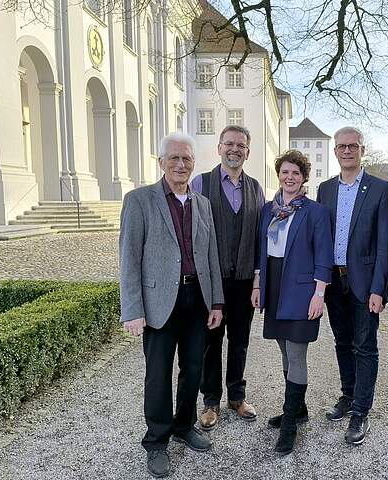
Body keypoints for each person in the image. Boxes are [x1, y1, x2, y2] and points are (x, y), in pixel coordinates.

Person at [119, 132, 224, 478]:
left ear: (194, 163)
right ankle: (157, 440)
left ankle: (184, 425)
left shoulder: (202, 203)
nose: (181, 165)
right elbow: (129, 259)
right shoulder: (139, 200)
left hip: (197, 300)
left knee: (193, 369)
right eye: (174, 158)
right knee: (158, 374)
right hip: (158, 303)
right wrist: (132, 309)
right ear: (161, 161)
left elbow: (211, 257)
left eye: (187, 159)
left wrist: (217, 303)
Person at [251, 150, 333, 455]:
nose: (290, 178)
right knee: (284, 349)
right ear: (279, 175)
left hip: (302, 290)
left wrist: (319, 294)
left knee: (297, 354)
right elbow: (262, 249)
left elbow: (324, 256)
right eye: (285, 172)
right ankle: (298, 409)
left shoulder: (316, 212)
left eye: (296, 173)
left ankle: (289, 424)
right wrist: (258, 284)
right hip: (273, 285)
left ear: (304, 178)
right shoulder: (267, 210)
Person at [316, 126, 388, 445]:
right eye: (341, 147)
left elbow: (384, 243)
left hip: (364, 283)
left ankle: (361, 411)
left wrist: (379, 289)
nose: (346, 151)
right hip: (334, 280)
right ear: (335, 151)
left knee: (365, 346)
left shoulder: (379, 188)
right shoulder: (324, 189)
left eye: (353, 146)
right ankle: (348, 396)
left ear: (362, 150)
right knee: (341, 342)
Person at [190, 125, 265, 430]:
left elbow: (262, 236)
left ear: (248, 151)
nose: (235, 149)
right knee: (210, 342)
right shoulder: (201, 183)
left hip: (244, 280)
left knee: (240, 341)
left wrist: (258, 280)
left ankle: (237, 396)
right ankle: (210, 401)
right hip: (211, 280)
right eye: (229, 144)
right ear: (219, 147)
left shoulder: (256, 188)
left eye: (241, 145)